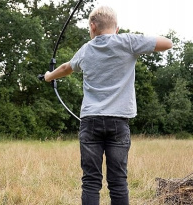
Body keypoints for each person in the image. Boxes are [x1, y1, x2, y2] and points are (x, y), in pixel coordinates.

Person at [43, 5, 172, 205]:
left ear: (92, 27)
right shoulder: (128, 42)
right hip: (119, 123)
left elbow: (66, 68)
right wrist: (136, 41)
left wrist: (49, 76)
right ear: (117, 28)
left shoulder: (87, 49)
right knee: (119, 181)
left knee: (91, 181)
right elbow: (167, 43)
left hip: (90, 122)